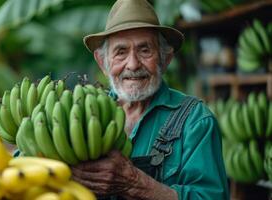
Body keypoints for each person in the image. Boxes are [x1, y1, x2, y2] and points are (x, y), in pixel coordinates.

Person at [71, 0, 229, 199]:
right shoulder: (82, 114)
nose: (133, 64)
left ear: (165, 59)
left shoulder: (196, 121)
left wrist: (136, 184)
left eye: (145, 50)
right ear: (103, 63)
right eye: (121, 52)